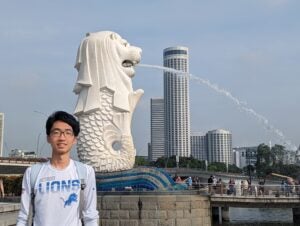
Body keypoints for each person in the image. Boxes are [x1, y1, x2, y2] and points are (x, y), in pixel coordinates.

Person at [16, 111, 99, 226]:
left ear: (75, 139)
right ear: (48, 138)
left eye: (68, 132)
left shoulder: (85, 172)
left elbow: (90, 216)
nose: (62, 138)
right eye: (56, 132)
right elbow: (23, 217)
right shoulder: (32, 173)